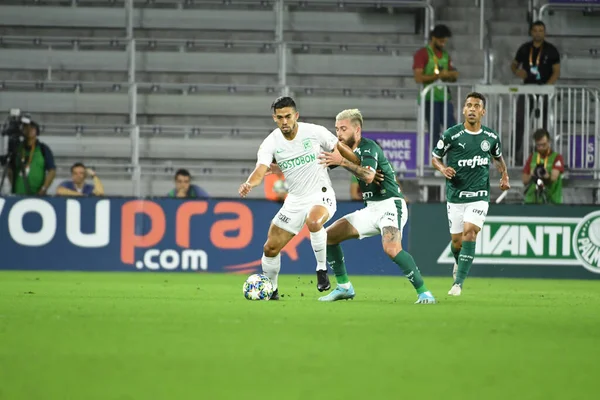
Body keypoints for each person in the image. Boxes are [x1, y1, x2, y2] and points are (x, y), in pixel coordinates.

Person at [238, 96, 359, 299]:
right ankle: (272, 290)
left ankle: (321, 270)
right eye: (279, 118)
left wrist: (355, 159)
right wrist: (250, 183)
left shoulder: (314, 131)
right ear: (274, 118)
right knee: (270, 247)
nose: (284, 121)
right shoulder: (271, 142)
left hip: (321, 194)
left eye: (288, 116)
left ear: (296, 116)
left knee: (313, 221)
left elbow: (339, 148)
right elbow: (261, 169)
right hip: (294, 200)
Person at [317, 109, 436, 304]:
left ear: (357, 130)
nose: (338, 133)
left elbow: (369, 176)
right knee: (328, 236)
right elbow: (322, 163)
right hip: (371, 208)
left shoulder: (368, 147)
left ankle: (424, 292)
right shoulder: (344, 151)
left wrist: (343, 162)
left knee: (391, 249)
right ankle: (344, 287)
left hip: (390, 204)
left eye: (343, 129)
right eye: (337, 129)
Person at [431, 92, 510, 296]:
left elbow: (498, 159)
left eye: (476, 106)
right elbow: (435, 157)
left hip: (479, 195)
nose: (472, 108)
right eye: (469, 105)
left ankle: (458, 284)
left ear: (483, 112)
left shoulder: (491, 138)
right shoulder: (452, 135)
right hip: (456, 196)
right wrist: (442, 169)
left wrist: (504, 176)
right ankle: (458, 262)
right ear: (464, 110)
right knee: (457, 242)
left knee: (470, 232)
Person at [511, 20, 560, 161]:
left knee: (543, 124)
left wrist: (547, 87)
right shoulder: (525, 48)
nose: (538, 33)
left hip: (544, 91)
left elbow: (556, 71)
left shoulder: (551, 50)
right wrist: (517, 71)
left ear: (544, 32)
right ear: (531, 32)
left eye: (541, 30)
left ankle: (543, 155)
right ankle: (515, 155)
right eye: (535, 30)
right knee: (520, 121)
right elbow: (514, 65)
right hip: (527, 89)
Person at [413, 24, 459, 144]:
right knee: (435, 131)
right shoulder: (422, 54)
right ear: (433, 38)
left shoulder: (445, 55)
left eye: (445, 41)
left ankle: (452, 159)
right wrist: (438, 76)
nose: (443, 44)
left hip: (444, 98)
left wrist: (450, 75)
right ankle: (437, 160)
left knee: (452, 129)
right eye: (441, 41)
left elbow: (453, 74)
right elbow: (418, 77)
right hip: (429, 99)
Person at [8, 118, 56, 196]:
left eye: (32, 128)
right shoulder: (17, 148)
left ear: (37, 131)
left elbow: (52, 171)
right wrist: (13, 185)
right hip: (17, 195)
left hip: (37, 195)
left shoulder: (43, 149)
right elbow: (9, 168)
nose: (29, 130)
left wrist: (43, 189)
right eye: (25, 127)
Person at [522, 128, 564, 204]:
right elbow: (524, 181)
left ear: (549, 142)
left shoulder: (557, 157)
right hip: (532, 201)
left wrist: (547, 176)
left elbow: (553, 178)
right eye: (538, 145)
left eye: (543, 145)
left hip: (551, 201)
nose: (541, 148)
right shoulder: (532, 157)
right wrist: (531, 175)